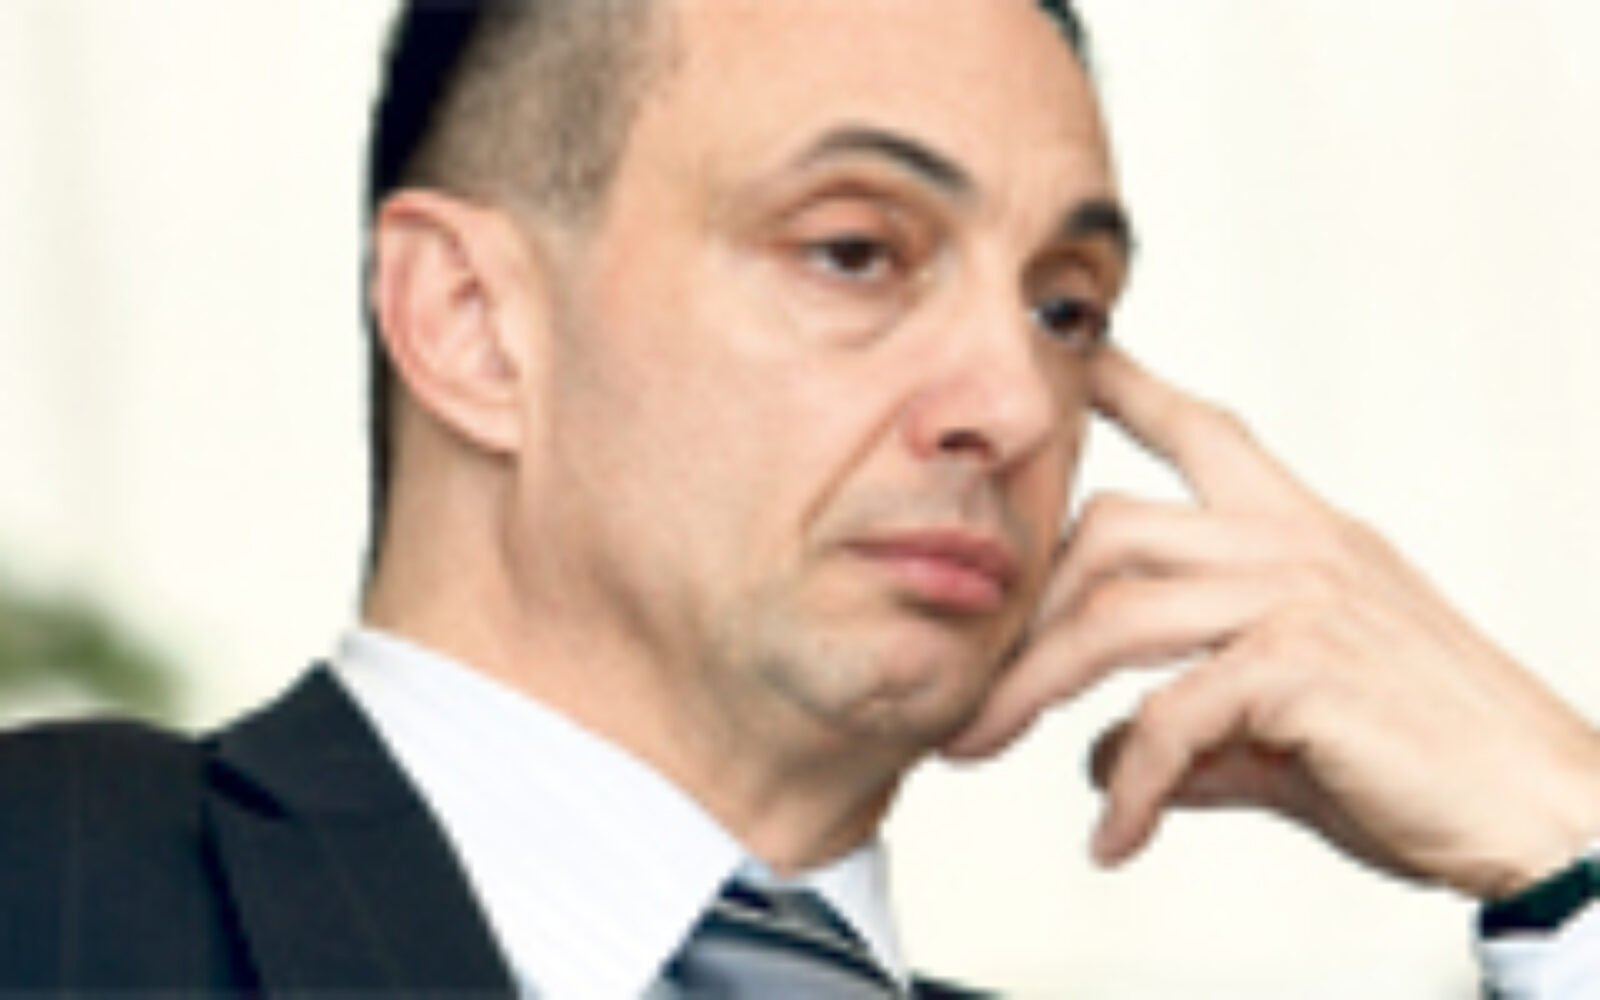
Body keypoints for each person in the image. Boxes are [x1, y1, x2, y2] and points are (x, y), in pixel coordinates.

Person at [3, 0, 1598, 995]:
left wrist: (1573, 851)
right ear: (473, 324)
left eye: (1066, 308)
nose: (1013, 405)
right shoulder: (52, 891)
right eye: (854, 250)